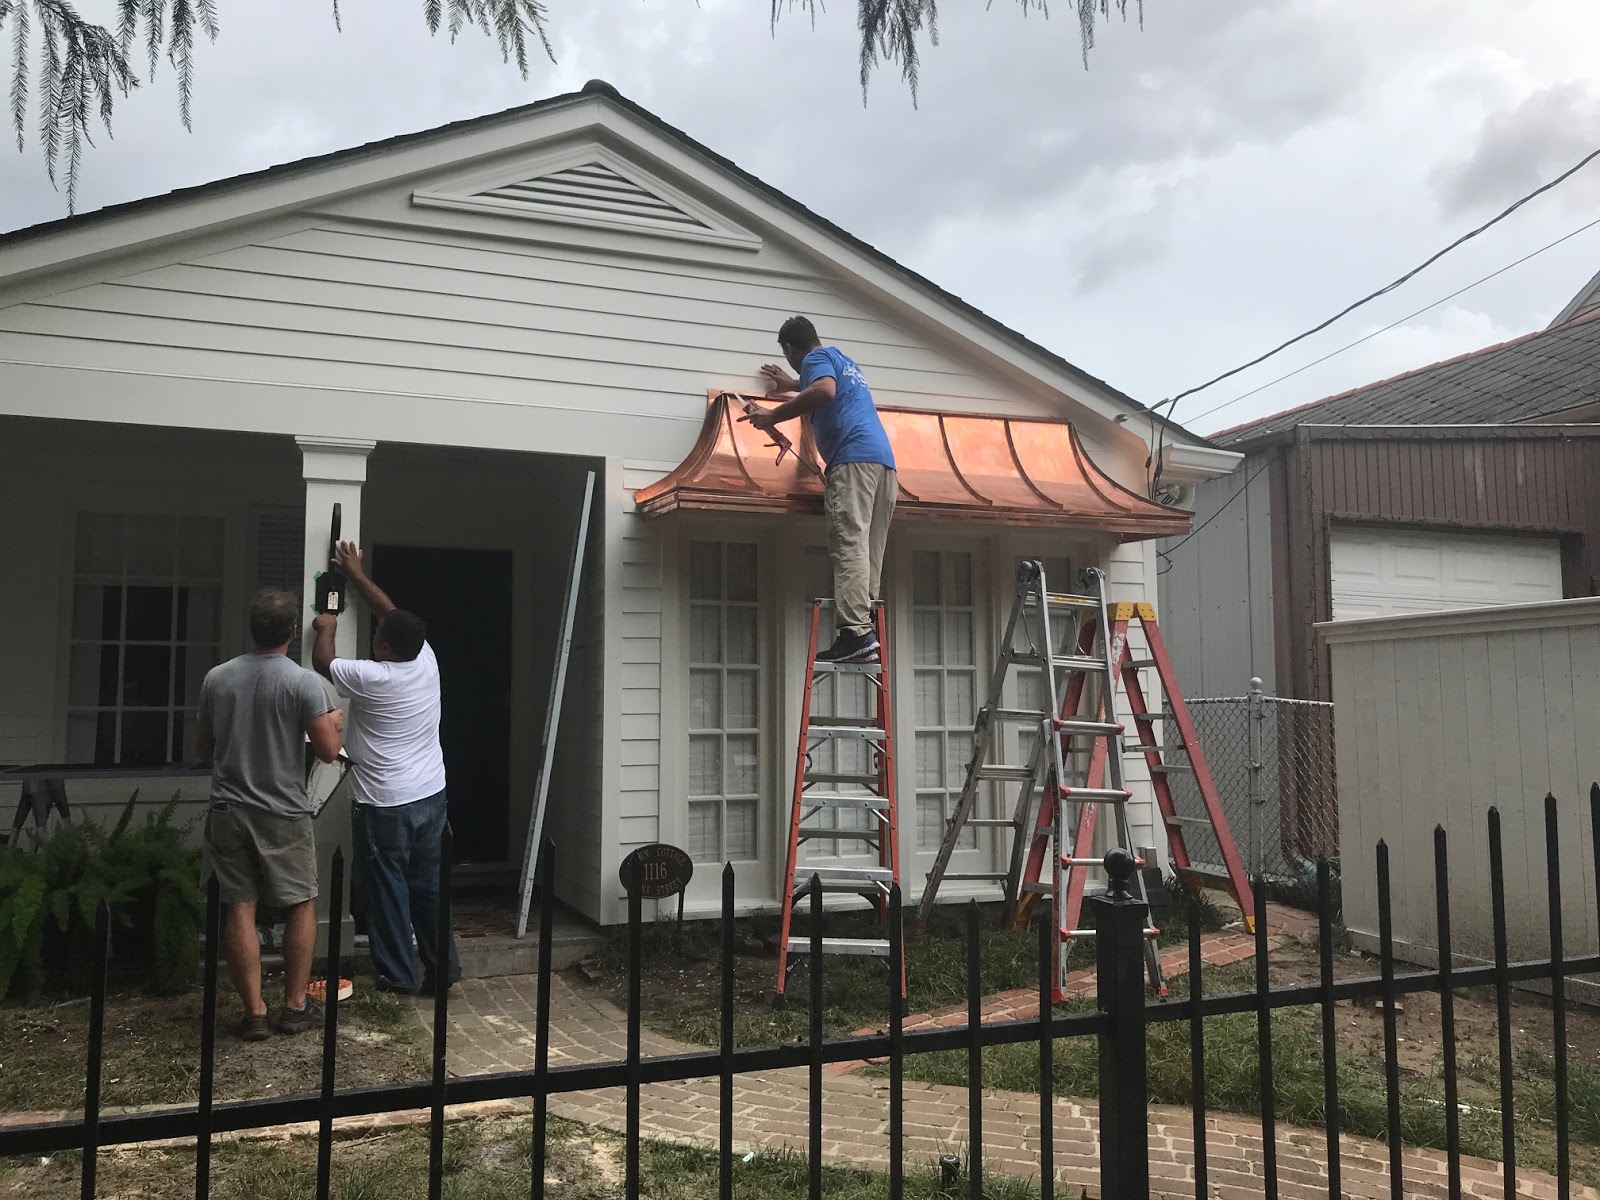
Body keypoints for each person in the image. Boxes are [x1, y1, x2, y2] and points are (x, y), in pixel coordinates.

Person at [311, 541, 461, 996]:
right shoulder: (425, 659)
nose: (375, 635)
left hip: (386, 805)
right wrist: (355, 575)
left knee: (387, 889)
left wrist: (328, 624)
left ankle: (397, 975)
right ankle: (442, 970)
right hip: (431, 796)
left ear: (384, 647)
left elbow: (323, 661)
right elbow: (390, 612)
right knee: (428, 886)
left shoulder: (374, 677)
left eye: (379, 636)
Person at [195, 588, 343, 1041]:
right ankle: (295, 1006)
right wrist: (332, 724)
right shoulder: (304, 683)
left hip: (228, 807)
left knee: (239, 906)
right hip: (283, 810)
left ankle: (254, 1012)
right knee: (300, 901)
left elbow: (204, 750)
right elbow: (328, 751)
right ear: (291, 632)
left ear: (252, 628)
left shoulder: (217, 679)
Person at [744, 315, 898, 662]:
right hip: (883, 464)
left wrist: (773, 416)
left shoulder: (814, 360)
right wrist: (793, 383)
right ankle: (866, 626)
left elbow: (824, 391)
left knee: (849, 542)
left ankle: (855, 634)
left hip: (853, 460)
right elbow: (825, 385)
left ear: (788, 348)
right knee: (870, 547)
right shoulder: (840, 359)